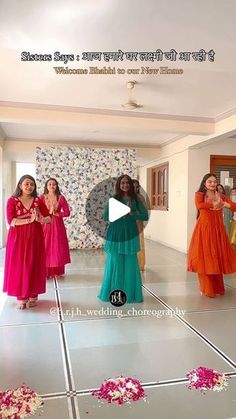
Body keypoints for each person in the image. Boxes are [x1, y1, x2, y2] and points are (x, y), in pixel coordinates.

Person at [98, 175, 148, 303]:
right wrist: (119, 212)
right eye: (122, 183)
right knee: (115, 263)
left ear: (131, 185)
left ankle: (130, 294)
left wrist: (133, 213)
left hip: (130, 233)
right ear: (119, 185)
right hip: (115, 233)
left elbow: (145, 215)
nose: (125, 185)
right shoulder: (114, 199)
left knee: (131, 263)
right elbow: (106, 216)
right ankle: (114, 293)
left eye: (127, 183)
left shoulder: (136, 200)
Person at [3, 175, 51, 309]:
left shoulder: (37, 200)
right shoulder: (12, 200)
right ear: (20, 185)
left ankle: (33, 294)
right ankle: (21, 296)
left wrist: (41, 220)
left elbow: (48, 218)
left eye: (32, 184)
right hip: (18, 238)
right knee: (20, 264)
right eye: (26, 184)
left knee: (33, 263)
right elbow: (11, 221)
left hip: (35, 236)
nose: (29, 187)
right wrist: (29, 220)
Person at [187, 173, 236, 298]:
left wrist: (225, 204)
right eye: (210, 182)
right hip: (205, 229)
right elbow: (199, 205)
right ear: (204, 183)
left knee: (217, 257)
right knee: (206, 257)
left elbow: (234, 207)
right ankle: (207, 288)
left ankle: (218, 287)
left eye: (214, 181)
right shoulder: (200, 195)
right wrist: (214, 204)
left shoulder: (221, 196)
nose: (213, 184)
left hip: (218, 230)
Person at [40, 178, 71, 278]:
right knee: (45, 246)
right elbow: (38, 210)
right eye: (50, 184)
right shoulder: (41, 197)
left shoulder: (61, 198)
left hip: (57, 225)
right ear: (46, 186)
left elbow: (67, 212)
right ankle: (45, 271)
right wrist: (45, 214)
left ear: (57, 186)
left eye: (54, 184)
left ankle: (57, 271)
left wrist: (57, 213)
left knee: (57, 247)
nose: (52, 186)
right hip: (45, 224)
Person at [132, 179, 147, 271]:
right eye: (133, 187)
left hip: (138, 224)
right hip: (128, 226)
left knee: (139, 245)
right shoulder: (126, 197)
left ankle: (140, 265)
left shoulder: (140, 197)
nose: (135, 189)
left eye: (137, 187)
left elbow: (145, 214)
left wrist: (135, 215)